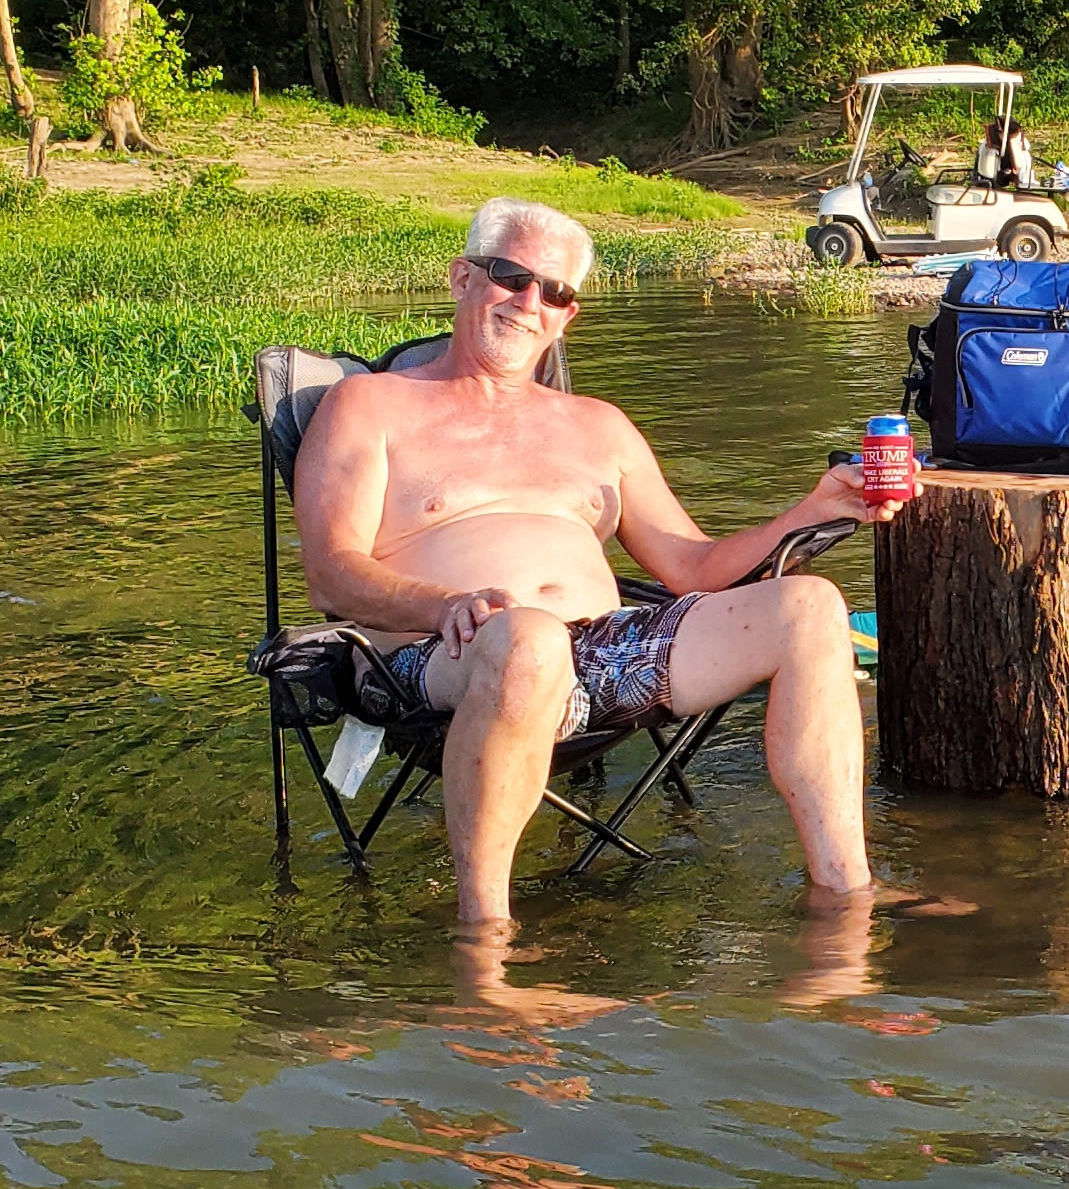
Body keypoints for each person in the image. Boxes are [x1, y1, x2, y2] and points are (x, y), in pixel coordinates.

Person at [292, 197, 888, 929]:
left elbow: (692, 569)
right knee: (529, 640)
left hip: (602, 655)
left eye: (556, 291)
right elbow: (331, 571)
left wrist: (812, 510)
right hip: (427, 652)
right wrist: (438, 603)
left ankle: (845, 900)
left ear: (569, 314)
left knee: (811, 606)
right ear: (461, 278)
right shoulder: (370, 405)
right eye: (511, 276)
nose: (529, 302)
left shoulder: (599, 427)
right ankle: (484, 941)